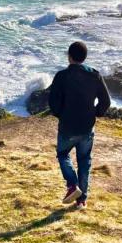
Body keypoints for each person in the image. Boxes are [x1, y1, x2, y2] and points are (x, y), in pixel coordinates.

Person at [48, 41, 111, 210]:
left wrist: (61, 114)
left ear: (69, 56)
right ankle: (81, 200)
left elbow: (53, 102)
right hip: (87, 127)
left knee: (62, 155)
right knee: (84, 161)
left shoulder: (61, 76)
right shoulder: (95, 75)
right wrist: (96, 113)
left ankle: (72, 185)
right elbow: (106, 101)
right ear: (84, 57)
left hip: (67, 127)